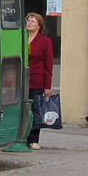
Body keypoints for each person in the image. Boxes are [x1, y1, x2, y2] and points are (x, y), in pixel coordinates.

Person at [26, 11, 55, 150]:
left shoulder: (45, 41)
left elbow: (48, 65)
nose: (29, 23)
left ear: (39, 25)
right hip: (21, 81)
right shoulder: (21, 38)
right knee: (22, 110)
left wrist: (47, 86)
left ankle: (33, 139)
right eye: (28, 20)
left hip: (37, 80)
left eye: (33, 21)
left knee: (36, 110)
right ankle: (21, 138)